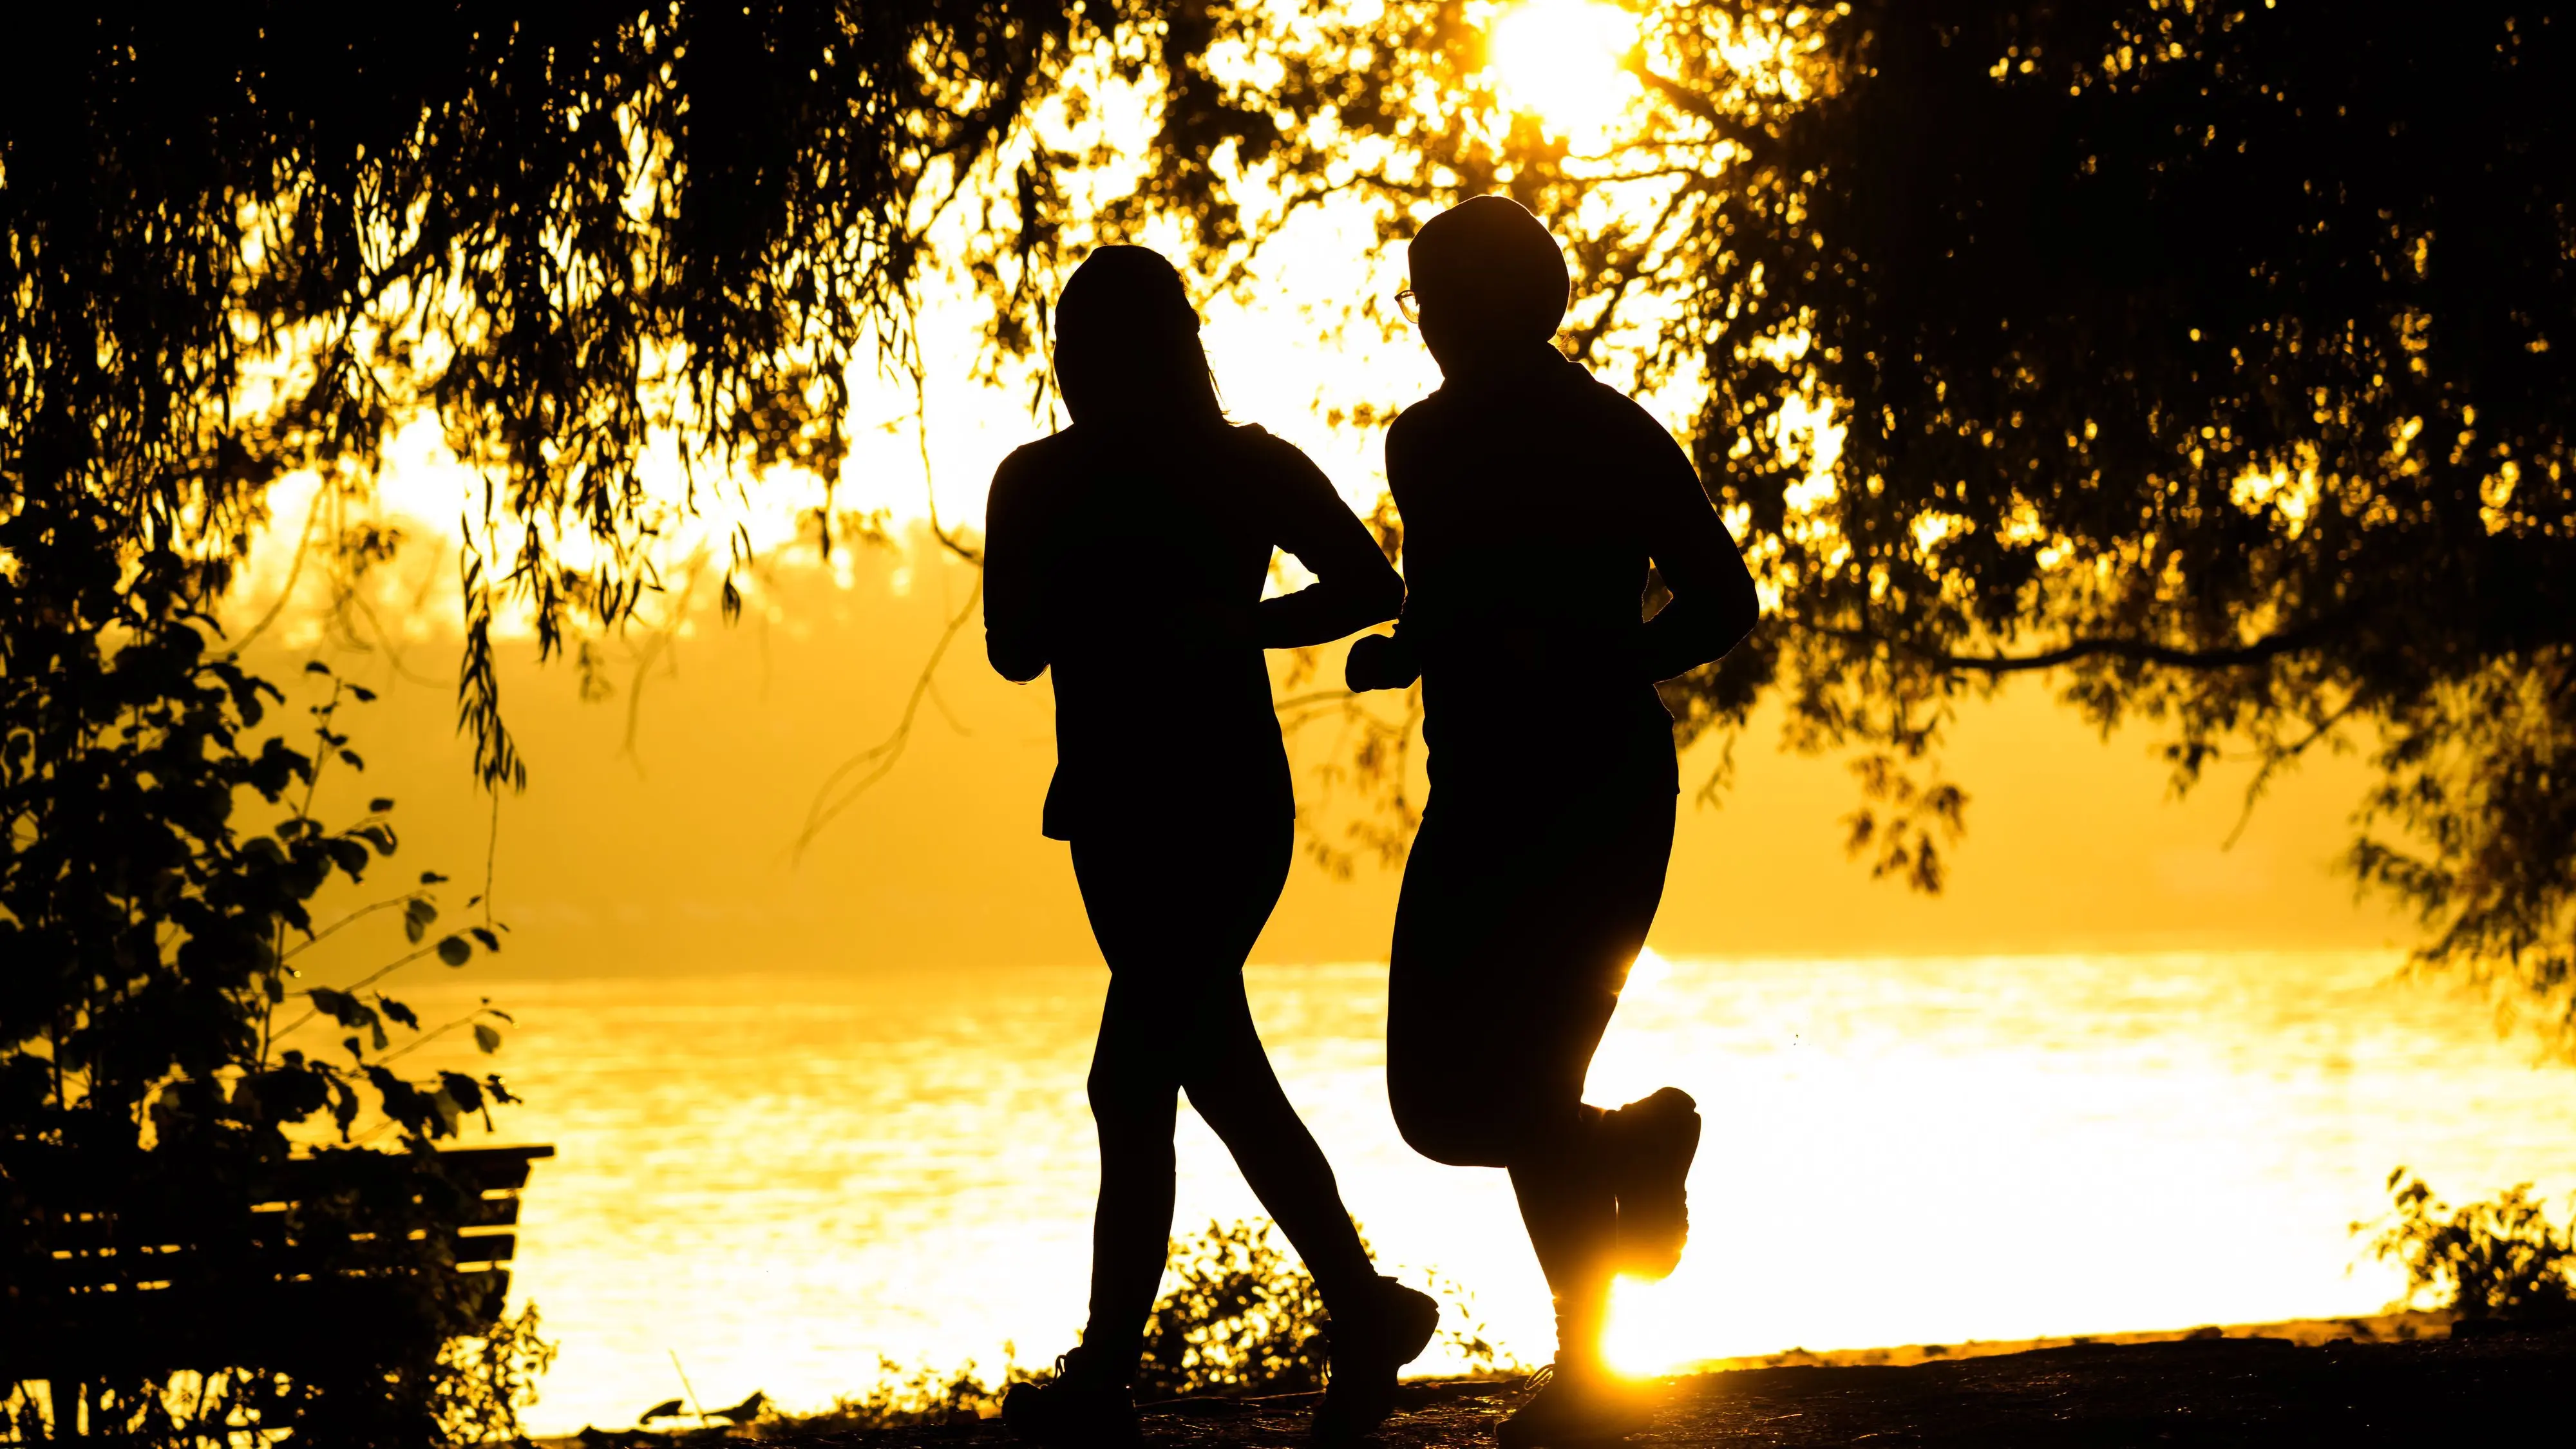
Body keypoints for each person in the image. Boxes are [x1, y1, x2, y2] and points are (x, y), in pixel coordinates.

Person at [986, 244, 1437, 1446]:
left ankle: (1110, 1378)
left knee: (1141, 1073)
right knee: (1193, 1066)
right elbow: (1013, 647)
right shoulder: (1054, 480)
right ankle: (1360, 1306)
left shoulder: (1236, 466)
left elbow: (1372, 585)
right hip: (1117, 812)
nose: (1081, 368)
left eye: (1093, 348)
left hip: (1217, 806)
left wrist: (1235, 624)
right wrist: (1129, 597)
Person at [1345, 196, 1760, 1447]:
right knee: (1439, 1105)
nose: (1424, 322)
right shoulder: (1421, 444)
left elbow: (1724, 598)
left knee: (1532, 1081)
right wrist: (1403, 651)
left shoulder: (1612, 437)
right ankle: (1635, 1143)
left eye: (1438, 299)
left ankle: (1586, 1371)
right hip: (1475, 792)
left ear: (1505, 304)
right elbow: (1444, 600)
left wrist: (1600, 665)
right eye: (1418, 300)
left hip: (1595, 792)